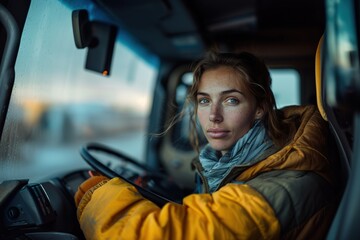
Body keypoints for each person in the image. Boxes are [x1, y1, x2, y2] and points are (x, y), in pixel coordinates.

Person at [74, 52, 337, 239]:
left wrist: (95, 191)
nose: (213, 115)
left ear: (260, 108)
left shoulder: (283, 185)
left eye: (231, 100)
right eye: (204, 101)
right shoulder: (233, 162)